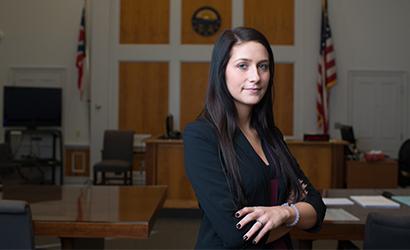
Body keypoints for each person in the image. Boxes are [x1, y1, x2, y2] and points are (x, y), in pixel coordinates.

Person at [183, 27, 326, 249]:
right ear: (222, 71)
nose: (256, 77)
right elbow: (237, 234)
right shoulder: (201, 136)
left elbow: (317, 206)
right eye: (243, 65)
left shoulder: (272, 135)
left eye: (263, 66)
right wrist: (294, 215)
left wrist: (284, 212)